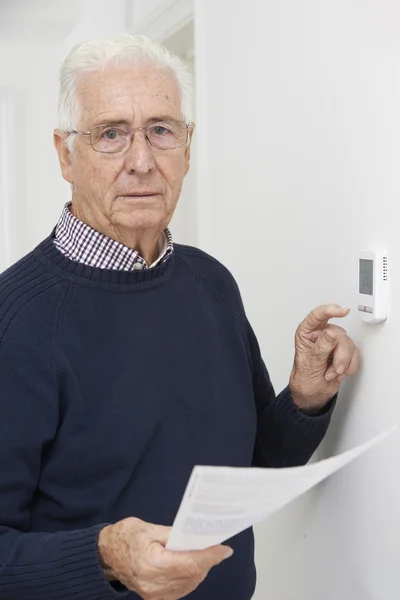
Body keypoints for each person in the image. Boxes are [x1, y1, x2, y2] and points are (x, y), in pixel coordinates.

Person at [0, 34, 359, 600]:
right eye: (111, 134)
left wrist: (306, 396)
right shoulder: (15, 319)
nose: (141, 161)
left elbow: (255, 466)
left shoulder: (211, 283)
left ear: (187, 149)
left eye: (161, 131)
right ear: (66, 154)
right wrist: (106, 557)